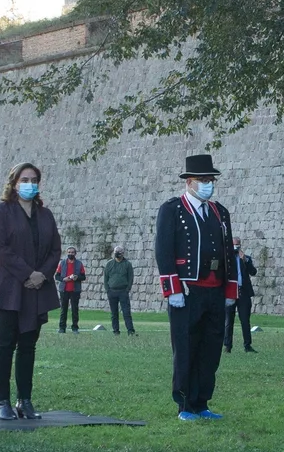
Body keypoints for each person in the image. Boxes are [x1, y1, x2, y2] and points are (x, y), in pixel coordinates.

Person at [155, 154, 241, 420]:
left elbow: (229, 254)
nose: (208, 184)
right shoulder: (173, 209)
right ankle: (184, 404)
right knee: (186, 347)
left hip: (214, 290)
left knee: (211, 348)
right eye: (203, 180)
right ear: (189, 182)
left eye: (211, 180)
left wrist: (230, 290)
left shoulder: (219, 212)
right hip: (188, 291)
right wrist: (173, 290)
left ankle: (202, 402)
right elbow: (164, 251)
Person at [0, 163, 63, 418]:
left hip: (37, 288)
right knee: (6, 343)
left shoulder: (45, 215)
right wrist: (27, 273)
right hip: (10, 287)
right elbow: (1, 249)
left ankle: (25, 399)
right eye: (25, 179)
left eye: (34, 180)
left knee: (28, 345)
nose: (29, 184)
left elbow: (55, 250)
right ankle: (2, 400)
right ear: (14, 183)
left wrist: (42, 274)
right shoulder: (2, 212)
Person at [223, 241, 257, 353]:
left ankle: (247, 345)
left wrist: (245, 261)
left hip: (243, 292)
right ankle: (227, 345)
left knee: (245, 320)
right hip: (230, 291)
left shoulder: (246, 259)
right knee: (229, 320)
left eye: (237, 245)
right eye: (234, 245)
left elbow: (253, 272)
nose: (236, 248)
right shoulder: (227, 259)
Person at [104, 245, 136, 335]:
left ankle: (130, 330)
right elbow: (105, 278)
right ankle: (116, 331)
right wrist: (108, 290)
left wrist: (127, 289)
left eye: (119, 252)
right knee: (114, 313)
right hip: (112, 291)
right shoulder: (109, 264)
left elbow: (130, 278)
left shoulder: (127, 264)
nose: (117, 254)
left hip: (123, 291)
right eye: (116, 252)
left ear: (123, 253)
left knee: (126, 312)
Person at [55, 245, 86, 333]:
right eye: (69, 252)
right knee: (63, 310)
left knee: (75, 310)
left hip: (75, 290)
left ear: (75, 254)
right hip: (64, 289)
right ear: (66, 253)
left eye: (72, 252)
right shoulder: (62, 263)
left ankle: (75, 328)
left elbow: (83, 277)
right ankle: (62, 328)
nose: (70, 254)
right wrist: (63, 279)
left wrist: (77, 277)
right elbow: (57, 276)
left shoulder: (79, 264)